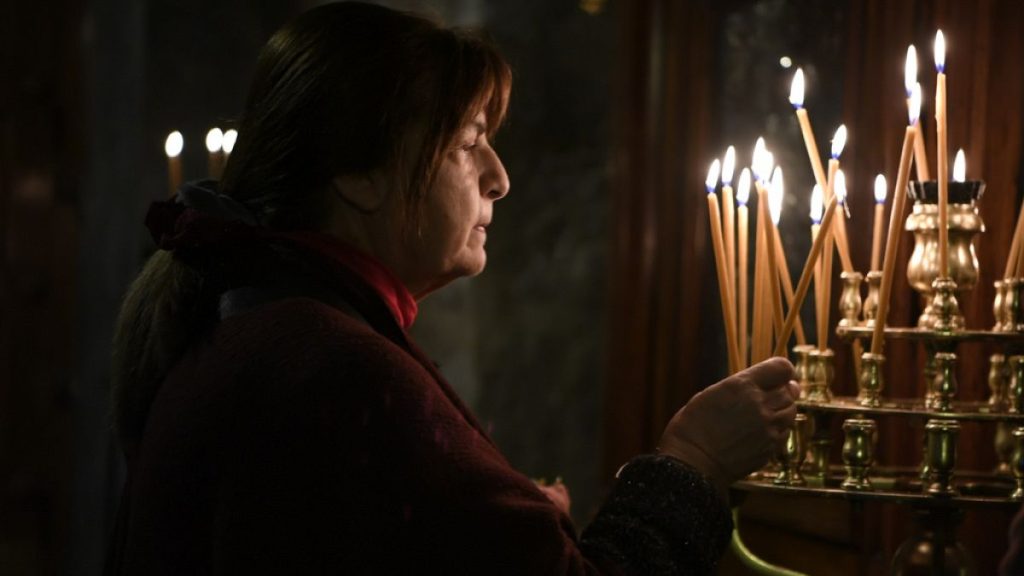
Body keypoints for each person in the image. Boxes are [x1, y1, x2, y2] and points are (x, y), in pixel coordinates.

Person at [106, 2, 799, 574]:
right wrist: (695, 461)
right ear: (360, 172)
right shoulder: (334, 366)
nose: (499, 177)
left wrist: (492, 519)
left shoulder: (276, 329)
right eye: (469, 144)